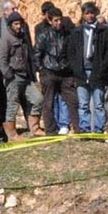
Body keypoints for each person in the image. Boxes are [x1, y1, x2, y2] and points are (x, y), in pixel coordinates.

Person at [72, 1, 108, 137]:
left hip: (98, 72)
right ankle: (84, 129)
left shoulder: (104, 31)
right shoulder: (77, 32)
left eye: (91, 13)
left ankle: (99, 129)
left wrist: (101, 70)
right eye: (86, 13)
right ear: (83, 15)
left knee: (98, 103)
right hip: (82, 72)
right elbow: (72, 52)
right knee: (83, 104)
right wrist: (77, 70)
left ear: (95, 13)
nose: (89, 16)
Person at [35, 8, 79, 136]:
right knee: (48, 103)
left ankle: (78, 128)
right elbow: (37, 54)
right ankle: (50, 131)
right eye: (56, 20)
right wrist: (41, 70)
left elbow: (72, 53)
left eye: (60, 20)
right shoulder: (43, 35)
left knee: (73, 100)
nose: (59, 23)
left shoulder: (67, 35)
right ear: (49, 21)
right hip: (49, 72)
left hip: (65, 72)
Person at [0, 11, 35, 137]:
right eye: (16, 24)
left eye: (20, 23)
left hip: (25, 75)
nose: (18, 26)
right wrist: (9, 76)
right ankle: (12, 134)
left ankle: (34, 128)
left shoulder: (23, 37)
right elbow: (2, 61)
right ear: (10, 25)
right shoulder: (5, 39)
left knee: (37, 99)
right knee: (12, 104)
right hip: (13, 76)